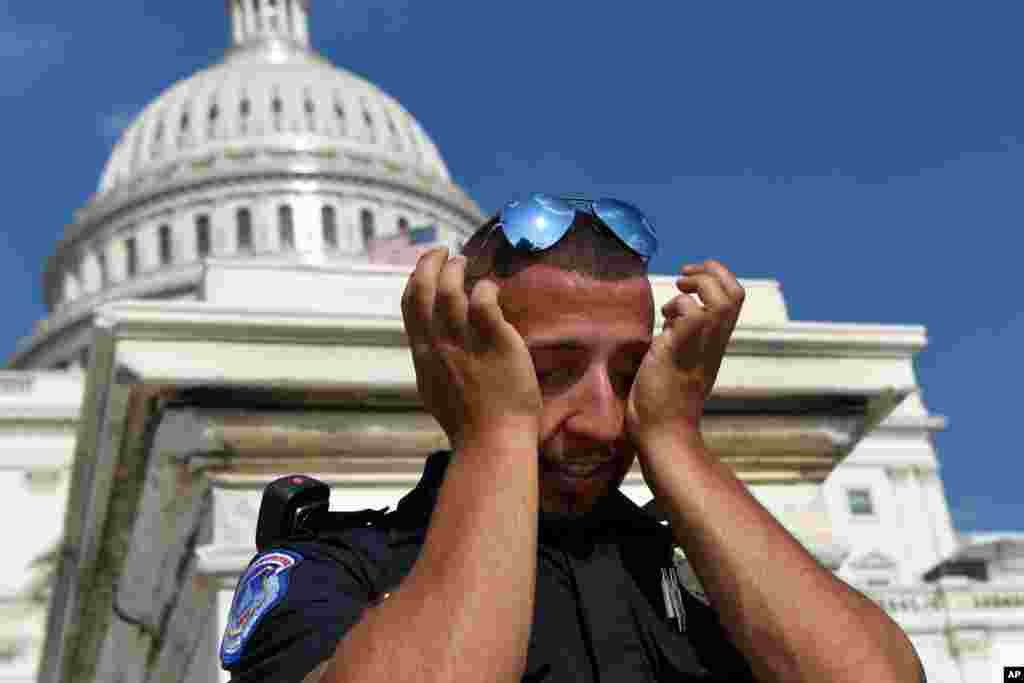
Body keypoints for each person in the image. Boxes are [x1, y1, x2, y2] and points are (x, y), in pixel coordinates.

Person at [219, 194, 927, 683]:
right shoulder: (340, 570)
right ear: (459, 362)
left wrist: (675, 439)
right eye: (550, 370)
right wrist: (493, 433)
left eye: (629, 370)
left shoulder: (699, 569)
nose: (601, 418)